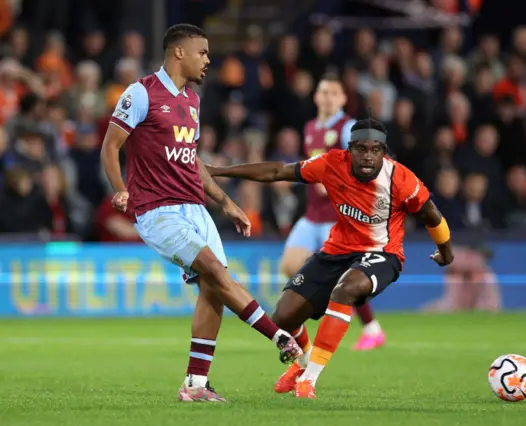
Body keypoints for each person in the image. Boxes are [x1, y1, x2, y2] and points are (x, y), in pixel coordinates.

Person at [100, 23, 302, 403]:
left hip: (196, 210)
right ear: (179, 52)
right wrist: (120, 190)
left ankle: (195, 385)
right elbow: (110, 148)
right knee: (214, 271)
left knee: (212, 290)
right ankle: (278, 336)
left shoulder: (192, 101)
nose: (208, 60)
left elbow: (192, 161)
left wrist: (226, 203)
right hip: (158, 212)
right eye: (203, 52)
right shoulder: (141, 93)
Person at [208, 117, 455, 399]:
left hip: (382, 254)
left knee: (346, 289)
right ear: (349, 149)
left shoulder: (401, 179)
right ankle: (302, 364)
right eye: (361, 149)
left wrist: (446, 251)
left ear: (384, 152)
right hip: (336, 251)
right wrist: (219, 170)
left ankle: (309, 380)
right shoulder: (331, 163)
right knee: (284, 317)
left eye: (375, 150)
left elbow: (431, 214)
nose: (368, 156)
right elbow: (277, 171)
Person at [282, 73, 387, 353]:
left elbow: (368, 162)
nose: (327, 97)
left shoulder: (347, 127)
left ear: (342, 99)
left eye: (333, 93)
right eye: (323, 92)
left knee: (343, 277)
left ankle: (371, 328)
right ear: (316, 96)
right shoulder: (310, 127)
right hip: (313, 213)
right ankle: (310, 323)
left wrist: (341, 184)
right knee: (290, 265)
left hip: (340, 216)